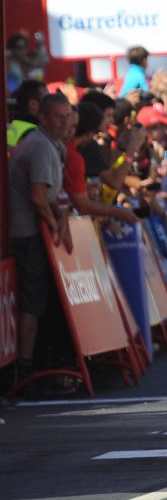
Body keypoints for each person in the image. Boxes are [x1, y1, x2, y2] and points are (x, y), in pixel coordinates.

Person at [8, 94, 75, 386]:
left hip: (38, 232)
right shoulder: (39, 146)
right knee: (33, 304)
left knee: (42, 303)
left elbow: (49, 197)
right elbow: (37, 197)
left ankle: (36, 364)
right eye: (59, 117)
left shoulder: (53, 146)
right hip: (28, 235)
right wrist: (54, 223)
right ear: (44, 118)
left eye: (67, 116)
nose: (65, 123)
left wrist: (58, 215)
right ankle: (24, 370)